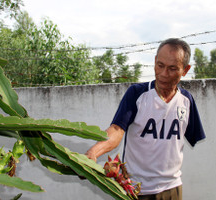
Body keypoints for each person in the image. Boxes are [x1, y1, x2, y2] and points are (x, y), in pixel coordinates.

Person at [85, 38, 206, 200]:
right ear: (155, 61)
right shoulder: (137, 94)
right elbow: (117, 130)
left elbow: (191, 136)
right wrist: (94, 152)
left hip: (172, 189)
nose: (163, 74)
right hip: (136, 189)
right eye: (160, 65)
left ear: (185, 70)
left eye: (172, 69)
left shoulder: (186, 100)